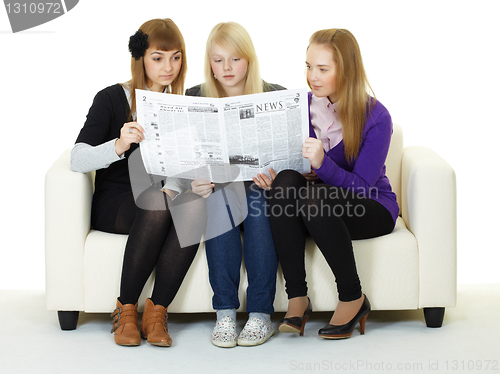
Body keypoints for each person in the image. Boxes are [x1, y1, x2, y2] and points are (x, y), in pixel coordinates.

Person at [254, 28, 399, 339]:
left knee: (313, 198)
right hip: (319, 203)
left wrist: (322, 165)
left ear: (345, 70)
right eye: (308, 67)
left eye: (323, 69)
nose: (312, 77)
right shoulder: (301, 107)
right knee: (287, 182)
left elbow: (362, 186)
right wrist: (273, 175)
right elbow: (293, 170)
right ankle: (298, 298)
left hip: (371, 206)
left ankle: (353, 296)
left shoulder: (376, 116)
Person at [71, 18, 206, 347]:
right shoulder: (112, 98)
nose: (168, 67)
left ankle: (157, 312)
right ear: (141, 58)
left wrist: (182, 184)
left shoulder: (181, 105)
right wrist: (118, 145)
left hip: (160, 197)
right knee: (158, 202)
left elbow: (180, 166)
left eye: (176, 57)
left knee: (193, 206)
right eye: (158, 57)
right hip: (117, 201)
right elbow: (78, 158)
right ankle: (126, 309)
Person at [168, 21, 284, 347]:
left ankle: (261, 314)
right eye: (218, 60)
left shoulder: (274, 94)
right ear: (210, 64)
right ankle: (225, 314)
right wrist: (195, 182)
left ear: (248, 60)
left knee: (260, 202)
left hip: (261, 187)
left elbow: (292, 153)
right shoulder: (194, 98)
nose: (227, 68)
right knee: (219, 199)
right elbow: (182, 159)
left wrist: (276, 174)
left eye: (235, 58)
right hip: (220, 189)